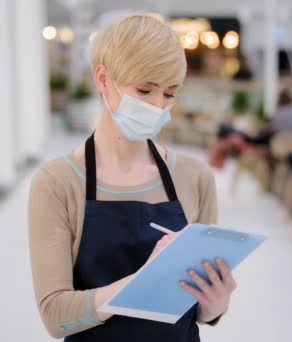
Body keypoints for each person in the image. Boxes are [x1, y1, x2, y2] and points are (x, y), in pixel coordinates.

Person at [28, 14, 236, 341]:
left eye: (169, 94)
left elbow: (199, 307)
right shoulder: (57, 182)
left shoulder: (195, 178)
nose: (157, 106)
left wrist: (215, 306)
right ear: (103, 79)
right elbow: (55, 316)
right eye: (144, 90)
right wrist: (143, 281)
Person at [209, 89, 292, 169]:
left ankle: (225, 130)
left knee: (248, 136)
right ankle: (228, 131)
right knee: (245, 135)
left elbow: (272, 129)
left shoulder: (279, 112)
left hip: (276, 144)